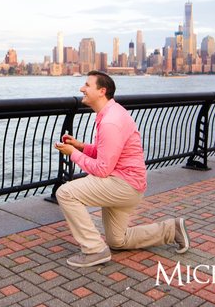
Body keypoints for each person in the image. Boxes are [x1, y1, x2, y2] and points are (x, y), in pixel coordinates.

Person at [54, 71, 189, 267]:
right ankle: (171, 230)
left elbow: (102, 169)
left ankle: (94, 250)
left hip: (123, 185)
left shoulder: (110, 121)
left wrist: (72, 154)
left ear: (102, 91)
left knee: (65, 193)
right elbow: (107, 154)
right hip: (128, 184)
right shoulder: (111, 113)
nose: (82, 88)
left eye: (87, 85)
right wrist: (82, 147)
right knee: (118, 241)